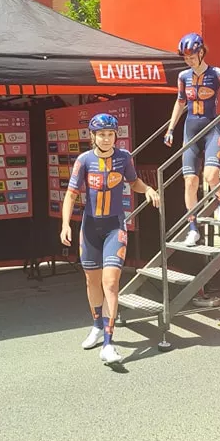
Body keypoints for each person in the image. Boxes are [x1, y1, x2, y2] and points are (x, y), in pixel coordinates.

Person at [60, 113, 160, 365]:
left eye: (110, 134)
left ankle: (108, 342)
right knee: (92, 281)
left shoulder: (124, 158)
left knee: (111, 283)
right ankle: (96, 325)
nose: (106, 139)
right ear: (93, 136)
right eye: (101, 134)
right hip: (90, 228)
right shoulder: (83, 160)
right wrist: (65, 225)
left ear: (116, 136)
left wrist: (147, 189)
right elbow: (71, 194)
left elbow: (133, 181)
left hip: (115, 227)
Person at [164, 33, 220, 246]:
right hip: (190, 130)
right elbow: (180, 102)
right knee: (190, 182)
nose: (188, 60)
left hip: (211, 128)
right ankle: (193, 228)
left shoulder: (217, 73)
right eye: (185, 57)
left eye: (191, 56)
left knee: (211, 174)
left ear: (201, 52)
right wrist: (170, 129)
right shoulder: (182, 76)